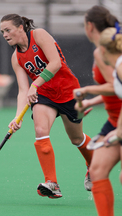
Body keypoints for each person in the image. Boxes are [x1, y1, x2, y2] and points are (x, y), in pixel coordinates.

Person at [0, 14, 93, 199]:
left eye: (8, 30)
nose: (4, 34)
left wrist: (35, 84)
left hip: (68, 91)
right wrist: (17, 117)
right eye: (2, 31)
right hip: (44, 95)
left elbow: (56, 63)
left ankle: (93, 165)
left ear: (20, 28)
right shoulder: (15, 58)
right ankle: (52, 183)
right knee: (40, 129)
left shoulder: (39, 35)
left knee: (76, 139)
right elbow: (22, 90)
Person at [73, 6, 121, 216]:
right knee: (97, 170)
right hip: (114, 119)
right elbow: (118, 88)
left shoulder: (108, 52)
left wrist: (87, 90)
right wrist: (91, 101)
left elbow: (115, 86)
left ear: (89, 26)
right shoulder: (103, 49)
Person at [84, 25, 122, 216]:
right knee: (97, 170)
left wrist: (119, 131)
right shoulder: (118, 69)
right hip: (117, 124)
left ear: (104, 50)